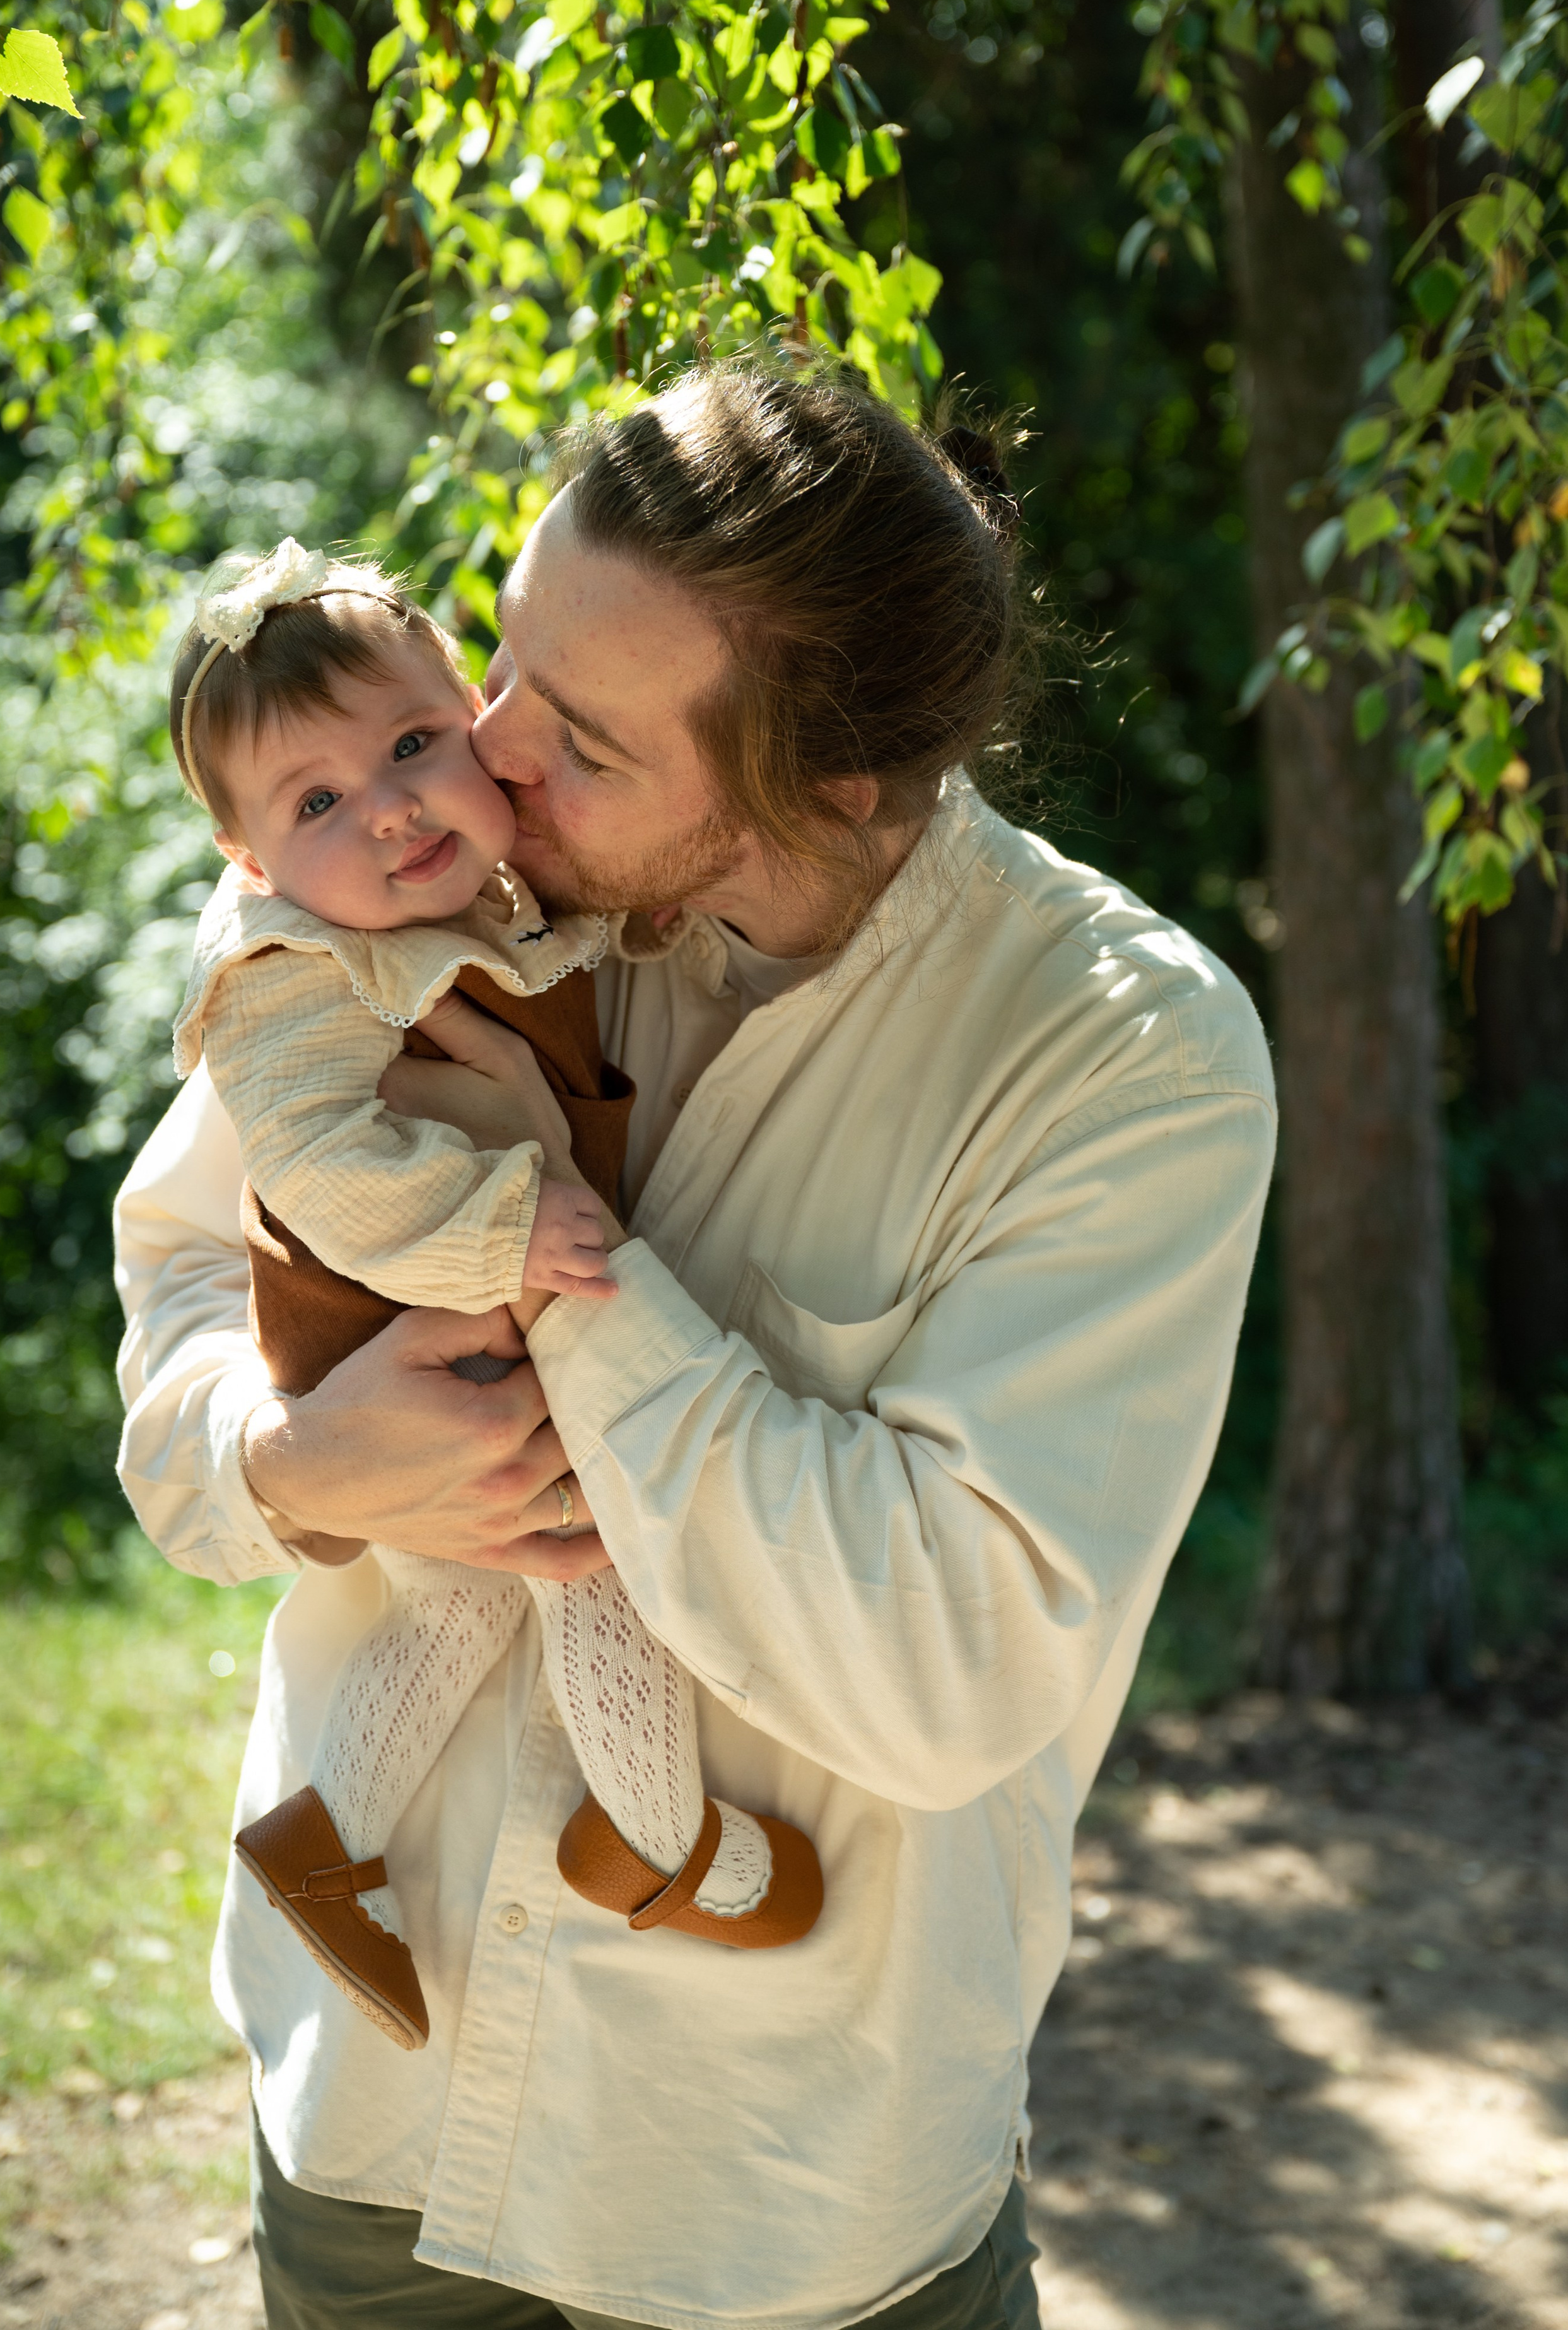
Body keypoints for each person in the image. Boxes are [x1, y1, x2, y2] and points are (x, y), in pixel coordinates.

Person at [114, 362, 1277, 2330]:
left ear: (821, 782)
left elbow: (943, 1657)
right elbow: (183, 1297)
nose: (478, 745)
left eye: (570, 732)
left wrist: (571, 1266)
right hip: (368, 2116)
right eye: (496, 655)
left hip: (771, 2191)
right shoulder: (418, 909)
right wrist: (288, 1467)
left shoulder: (1122, 1059)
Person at [166, 539, 823, 2056]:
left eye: (408, 746)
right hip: (396, 1318)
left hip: (457, 1316)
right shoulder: (285, 971)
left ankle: (323, 1840)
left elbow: (568, 960)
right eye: (316, 801)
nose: (388, 807)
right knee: (579, 1555)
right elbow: (324, 1167)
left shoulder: (485, 890)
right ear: (249, 862)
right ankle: (655, 1841)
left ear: (473, 710)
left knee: (460, 1590)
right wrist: (504, 1223)